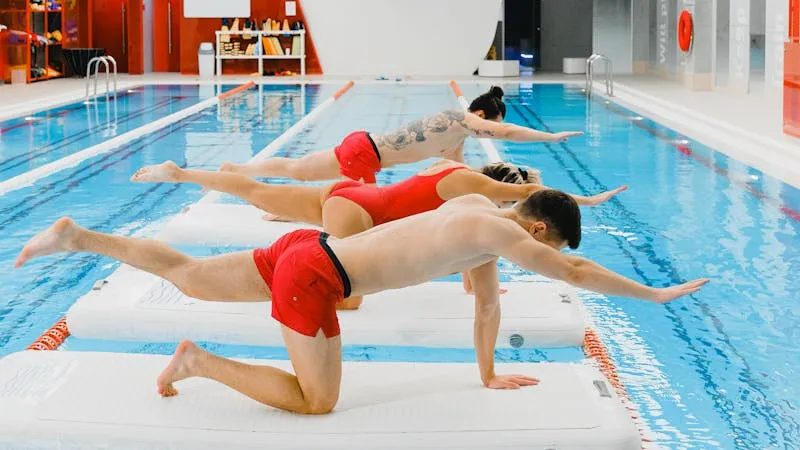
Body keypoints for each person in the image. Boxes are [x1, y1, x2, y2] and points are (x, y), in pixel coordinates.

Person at [15, 190, 708, 415]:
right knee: (317, 403)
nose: (543, 258)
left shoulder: (475, 213)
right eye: (544, 247)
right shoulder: (502, 234)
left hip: (305, 248)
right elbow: (577, 271)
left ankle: (78, 236)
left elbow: (487, 309)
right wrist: (654, 293)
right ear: (537, 229)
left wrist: (488, 373)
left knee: (191, 275)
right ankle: (198, 363)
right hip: (315, 281)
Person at [131, 159, 627, 309]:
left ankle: (181, 173)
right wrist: (587, 201)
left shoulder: (458, 182)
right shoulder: (483, 196)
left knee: (260, 190)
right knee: (348, 296)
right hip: (359, 219)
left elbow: (468, 254)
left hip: (353, 194)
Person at [218, 87, 583, 184]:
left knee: (298, 169)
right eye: (491, 124)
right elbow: (506, 131)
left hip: (363, 147)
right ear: (482, 115)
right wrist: (549, 139)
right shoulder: (459, 118)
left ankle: (237, 170)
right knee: (361, 220)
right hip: (365, 155)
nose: (492, 133)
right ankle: (278, 209)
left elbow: (458, 171)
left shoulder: (456, 138)